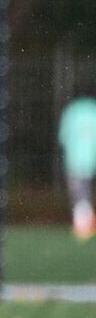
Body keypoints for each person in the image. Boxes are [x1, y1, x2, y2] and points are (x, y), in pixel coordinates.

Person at [58, 95, 96, 241]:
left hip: (75, 161)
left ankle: (83, 227)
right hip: (91, 159)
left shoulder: (72, 111)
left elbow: (63, 137)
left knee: (80, 193)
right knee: (84, 193)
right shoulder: (93, 110)